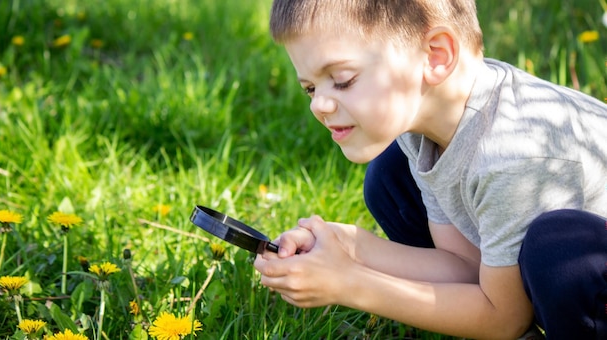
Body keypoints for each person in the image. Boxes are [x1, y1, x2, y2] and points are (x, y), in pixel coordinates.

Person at [253, 0, 607, 338]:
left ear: (436, 55)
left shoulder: (511, 155)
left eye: (343, 79)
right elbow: (465, 266)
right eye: (311, 88)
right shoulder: (426, 123)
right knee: (389, 177)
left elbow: (505, 320)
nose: (320, 104)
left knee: (556, 251)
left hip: (581, 263)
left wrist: (351, 283)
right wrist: (348, 246)